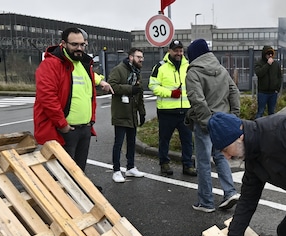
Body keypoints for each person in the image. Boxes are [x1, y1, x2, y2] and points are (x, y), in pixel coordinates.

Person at [33, 27, 111, 174]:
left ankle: (80, 191)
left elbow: (89, 76)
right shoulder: (51, 65)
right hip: (66, 130)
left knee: (79, 169)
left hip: (85, 128)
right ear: (63, 44)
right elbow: (47, 97)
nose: (79, 48)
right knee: (64, 173)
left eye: (82, 45)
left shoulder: (82, 63)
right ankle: (64, 196)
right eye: (74, 44)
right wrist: (62, 125)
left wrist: (101, 81)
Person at [185, 39, 241, 213]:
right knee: (221, 157)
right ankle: (230, 192)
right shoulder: (221, 69)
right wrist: (233, 117)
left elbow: (198, 101)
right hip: (223, 121)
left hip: (205, 124)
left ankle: (206, 202)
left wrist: (207, 122)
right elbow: (234, 92)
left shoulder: (193, 73)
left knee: (203, 162)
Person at [149, 40, 196, 177]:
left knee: (187, 140)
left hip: (185, 111)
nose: (179, 53)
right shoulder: (160, 67)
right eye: (176, 50)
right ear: (169, 51)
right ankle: (164, 163)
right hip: (166, 111)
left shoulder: (188, 66)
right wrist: (170, 93)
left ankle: (188, 165)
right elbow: (153, 86)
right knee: (164, 139)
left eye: (181, 50)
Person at [107, 48, 147, 183]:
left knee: (131, 141)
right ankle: (116, 170)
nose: (141, 59)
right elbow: (112, 86)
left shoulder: (136, 72)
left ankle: (130, 167)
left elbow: (139, 93)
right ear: (130, 57)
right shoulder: (119, 70)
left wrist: (142, 111)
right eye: (138, 57)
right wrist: (130, 89)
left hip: (132, 113)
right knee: (118, 143)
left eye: (142, 57)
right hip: (121, 112)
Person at [254, 45, 282, 118]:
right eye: (268, 54)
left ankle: (271, 128)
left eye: (271, 54)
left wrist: (277, 89)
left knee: (272, 112)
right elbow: (259, 73)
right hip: (263, 92)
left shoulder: (276, 64)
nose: (270, 55)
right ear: (264, 54)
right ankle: (257, 128)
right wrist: (268, 65)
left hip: (273, 93)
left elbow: (279, 76)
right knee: (260, 111)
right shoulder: (259, 63)